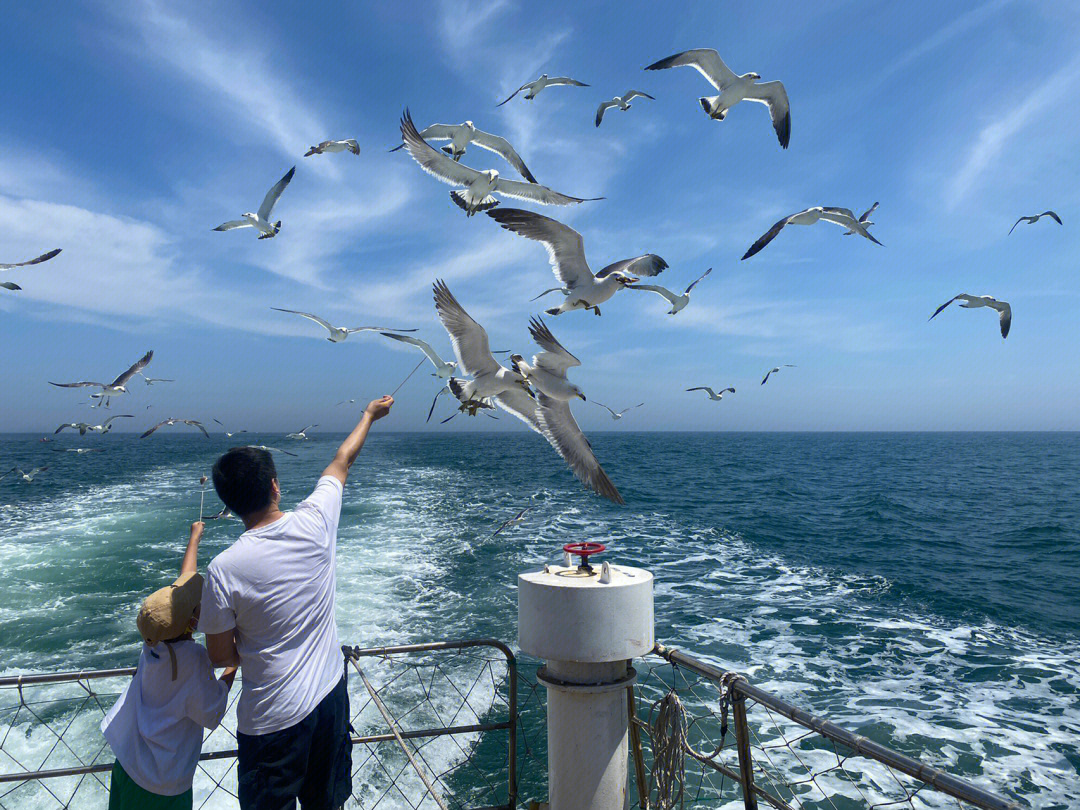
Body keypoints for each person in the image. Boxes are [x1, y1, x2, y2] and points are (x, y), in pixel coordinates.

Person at [200, 396, 394, 810]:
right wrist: (368, 415)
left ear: (229, 504)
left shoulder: (223, 569)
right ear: (274, 486)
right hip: (329, 700)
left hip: (271, 721)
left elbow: (219, 655)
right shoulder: (316, 521)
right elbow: (342, 460)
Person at [102, 521, 238, 810]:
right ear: (192, 622)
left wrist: (194, 539)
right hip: (164, 784)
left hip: (127, 767)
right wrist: (231, 668)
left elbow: (184, 582)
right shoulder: (192, 659)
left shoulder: (152, 643)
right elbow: (211, 713)